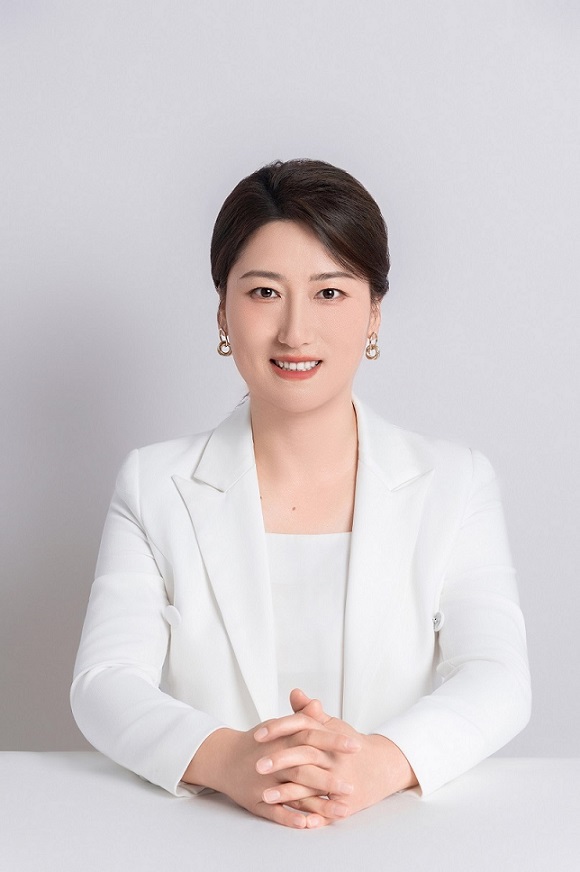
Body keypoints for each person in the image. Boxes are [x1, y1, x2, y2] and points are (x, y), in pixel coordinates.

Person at [71, 159, 531, 829]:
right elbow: (104, 682)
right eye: (264, 292)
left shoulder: (456, 483)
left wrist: (379, 763)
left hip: (394, 842)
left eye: (329, 292)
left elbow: (497, 675)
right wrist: (230, 760)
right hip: (208, 841)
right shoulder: (153, 484)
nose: (294, 332)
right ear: (223, 310)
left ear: (374, 312)